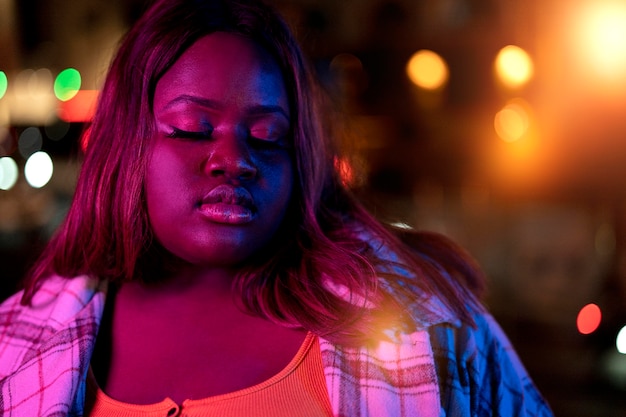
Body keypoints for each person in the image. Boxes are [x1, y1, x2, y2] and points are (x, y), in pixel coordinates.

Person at [0, 0, 553, 415]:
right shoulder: (16, 342)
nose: (235, 159)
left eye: (268, 136)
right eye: (194, 129)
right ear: (129, 143)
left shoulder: (430, 323)